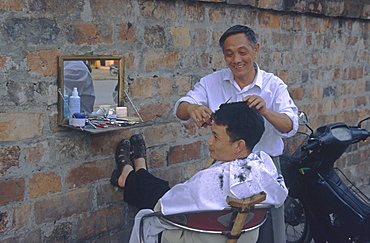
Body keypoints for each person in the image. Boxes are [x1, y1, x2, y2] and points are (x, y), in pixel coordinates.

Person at [174, 25, 298, 243]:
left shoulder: (273, 85)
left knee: (268, 233)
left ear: (255, 49)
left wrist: (266, 111)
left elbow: (290, 125)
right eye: (229, 54)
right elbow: (181, 108)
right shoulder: (212, 82)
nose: (236, 59)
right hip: (224, 170)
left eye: (242, 52)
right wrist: (192, 108)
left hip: (264, 169)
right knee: (223, 232)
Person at [110, 101, 288, 243]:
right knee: (162, 188)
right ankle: (138, 171)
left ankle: (130, 175)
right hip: (244, 238)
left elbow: (163, 209)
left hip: (200, 237)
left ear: (239, 145)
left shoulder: (210, 180)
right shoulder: (265, 168)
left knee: (156, 195)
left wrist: (205, 173)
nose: (209, 141)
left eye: (216, 136)